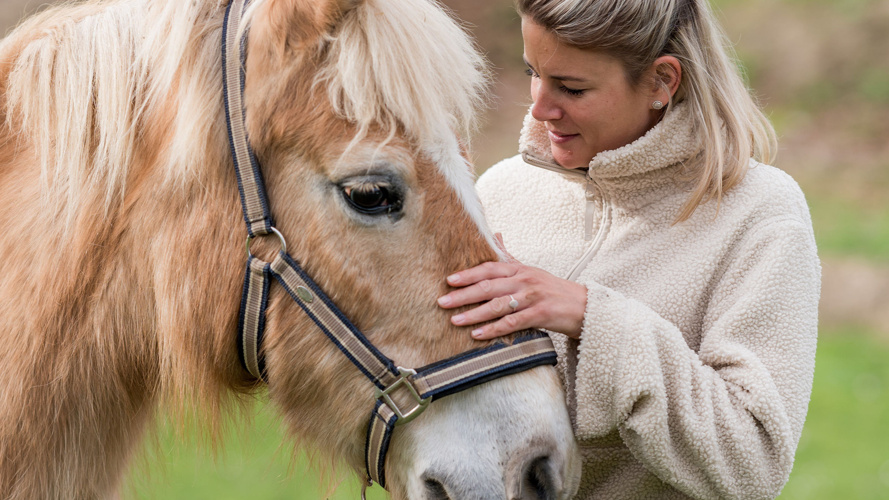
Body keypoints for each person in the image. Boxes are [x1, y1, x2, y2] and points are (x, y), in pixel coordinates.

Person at [436, 0, 821, 498]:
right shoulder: (502, 190)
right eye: (534, 73)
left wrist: (590, 317)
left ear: (662, 81)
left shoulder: (760, 214)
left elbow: (753, 461)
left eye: (572, 88)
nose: (538, 107)